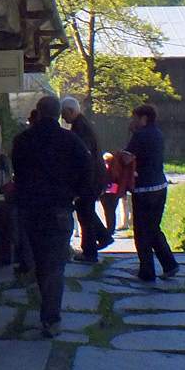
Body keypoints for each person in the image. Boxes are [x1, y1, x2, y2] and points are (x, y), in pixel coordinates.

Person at [8, 95, 95, 335]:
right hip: (59, 207)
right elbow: (87, 171)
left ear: (38, 112)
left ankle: (46, 309)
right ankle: (51, 318)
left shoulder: (23, 140)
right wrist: (76, 193)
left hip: (31, 208)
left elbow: (17, 170)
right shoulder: (71, 140)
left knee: (38, 261)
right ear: (58, 114)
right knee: (55, 264)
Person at [124, 102, 179, 281]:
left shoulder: (140, 135)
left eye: (135, 118)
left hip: (144, 188)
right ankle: (169, 264)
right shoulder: (158, 134)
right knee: (153, 227)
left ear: (143, 118)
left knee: (141, 231)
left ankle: (147, 272)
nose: (133, 121)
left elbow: (126, 158)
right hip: (160, 186)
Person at [59, 96, 110, 262]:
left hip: (89, 178)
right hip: (94, 177)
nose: (62, 117)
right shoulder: (82, 125)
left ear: (71, 111)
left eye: (64, 113)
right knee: (85, 211)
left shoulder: (79, 128)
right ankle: (102, 237)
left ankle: (89, 252)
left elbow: (83, 157)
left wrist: (79, 183)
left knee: (85, 214)